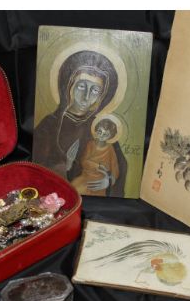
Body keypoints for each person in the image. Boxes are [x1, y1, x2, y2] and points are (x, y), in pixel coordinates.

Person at [33, 50, 127, 197]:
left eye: (95, 90)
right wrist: (67, 165)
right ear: (68, 86)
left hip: (97, 199)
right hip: (58, 197)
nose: (86, 97)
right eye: (81, 86)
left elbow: (119, 166)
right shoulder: (49, 125)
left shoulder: (101, 126)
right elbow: (38, 168)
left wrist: (109, 180)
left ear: (103, 96)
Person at [71, 117, 121, 196]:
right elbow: (84, 161)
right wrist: (98, 166)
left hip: (100, 182)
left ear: (110, 136)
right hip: (86, 178)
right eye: (99, 132)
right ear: (96, 131)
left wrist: (109, 181)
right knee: (74, 189)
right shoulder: (90, 144)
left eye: (106, 134)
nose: (101, 136)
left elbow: (115, 169)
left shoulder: (110, 149)